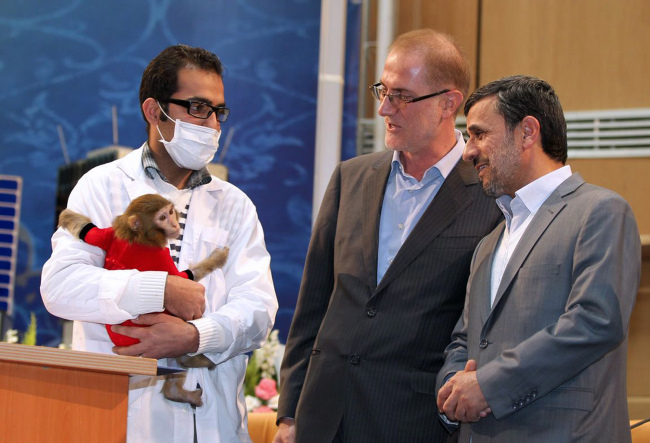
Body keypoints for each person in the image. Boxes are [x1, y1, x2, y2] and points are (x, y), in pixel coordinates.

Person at [274, 29, 502, 443]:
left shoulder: (489, 198)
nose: (383, 108)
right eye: (382, 90)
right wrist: (289, 414)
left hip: (412, 422)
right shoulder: (351, 177)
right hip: (322, 419)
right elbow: (313, 306)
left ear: (448, 104)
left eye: (401, 96)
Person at [40, 45, 278, 442]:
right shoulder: (102, 186)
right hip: (121, 419)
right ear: (155, 111)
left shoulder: (235, 204)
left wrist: (196, 335)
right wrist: (158, 289)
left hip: (212, 425)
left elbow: (258, 309)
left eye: (218, 111)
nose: (213, 125)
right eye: (198, 107)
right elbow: (61, 287)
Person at [435, 75, 641, 442]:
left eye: (479, 134)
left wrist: (488, 386)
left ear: (527, 132)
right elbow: (464, 338)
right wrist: (453, 389)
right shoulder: (490, 242)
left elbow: (594, 323)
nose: (468, 151)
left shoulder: (601, 211)